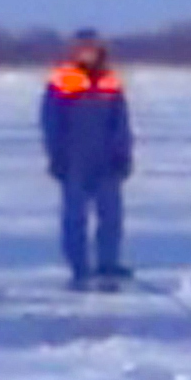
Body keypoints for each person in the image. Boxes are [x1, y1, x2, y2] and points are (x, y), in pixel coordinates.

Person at [41, 29, 135, 290]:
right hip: (74, 159)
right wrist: (56, 155)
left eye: (92, 47)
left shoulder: (110, 81)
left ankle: (108, 263)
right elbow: (51, 123)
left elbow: (121, 122)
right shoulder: (62, 80)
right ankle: (79, 267)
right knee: (75, 216)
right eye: (83, 47)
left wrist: (124, 153)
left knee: (111, 215)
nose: (88, 52)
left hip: (107, 160)